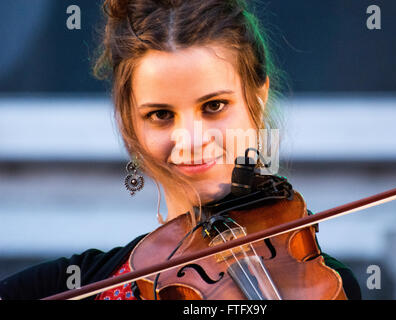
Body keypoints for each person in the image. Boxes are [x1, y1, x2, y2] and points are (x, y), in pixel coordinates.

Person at [0, 0, 361, 300]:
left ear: (257, 98)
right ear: (130, 125)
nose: (191, 139)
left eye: (214, 106)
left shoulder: (323, 282)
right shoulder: (81, 284)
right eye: (160, 114)